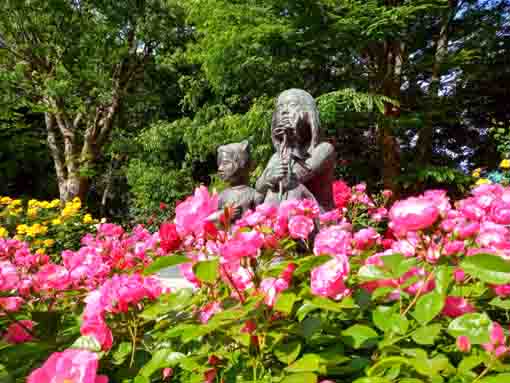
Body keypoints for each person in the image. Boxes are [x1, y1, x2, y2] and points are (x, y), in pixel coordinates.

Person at [256, 89, 336, 211]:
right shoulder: (277, 156)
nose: (284, 111)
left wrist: (290, 142)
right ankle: (269, 224)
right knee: (267, 193)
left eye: (292, 105)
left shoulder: (323, 149)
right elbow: (259, 187)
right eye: (281, 107)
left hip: (317, 216)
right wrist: (267, 179)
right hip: (287, 216)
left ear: (309, 113)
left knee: (292, 189)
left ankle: (273, 224)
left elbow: (294, 178)